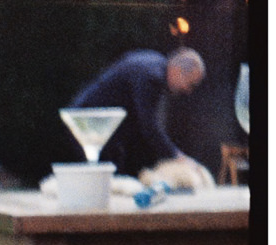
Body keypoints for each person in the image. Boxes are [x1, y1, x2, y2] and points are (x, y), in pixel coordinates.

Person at [69, 46, 206, 178]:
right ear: (177, 70)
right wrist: (177, 156)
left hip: (98, 121)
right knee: (102, 179)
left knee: (110, 175)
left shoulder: (153, 63)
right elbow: (148, 126)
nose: (188, 91)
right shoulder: (152, 76)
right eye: (190, 84)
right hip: (90, 122)